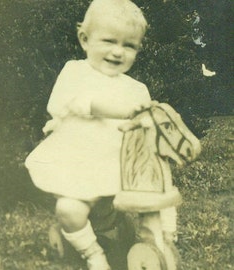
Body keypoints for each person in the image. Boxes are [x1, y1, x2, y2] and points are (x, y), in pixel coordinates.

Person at [25, 0, 176, 269]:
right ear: (85, 39)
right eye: (109, 41)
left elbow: (144, 132)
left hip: (118, 168)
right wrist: (128, 111)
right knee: (70, 209)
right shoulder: (75, 72)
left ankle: (158, 241)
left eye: (129, 45)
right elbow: (84, 104)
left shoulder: (137, 88)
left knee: (151, 201)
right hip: (80, 166)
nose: (118, 52)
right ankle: (93, 254)